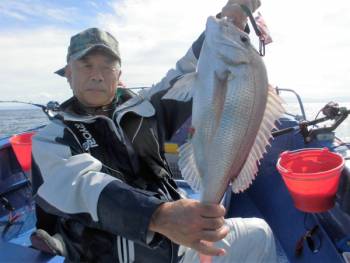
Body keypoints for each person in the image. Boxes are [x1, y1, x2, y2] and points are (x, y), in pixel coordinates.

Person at [30, 0, 277, 262]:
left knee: (260, 234)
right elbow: (82, 186)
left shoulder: (146, 110)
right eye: (86, 65)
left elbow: (193, 70)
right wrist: (159, 216)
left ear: (119, 73)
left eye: (107, 66)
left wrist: (228, 20)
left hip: (182, 247)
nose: (97, 75)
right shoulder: (52, 139)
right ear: (68, 73)